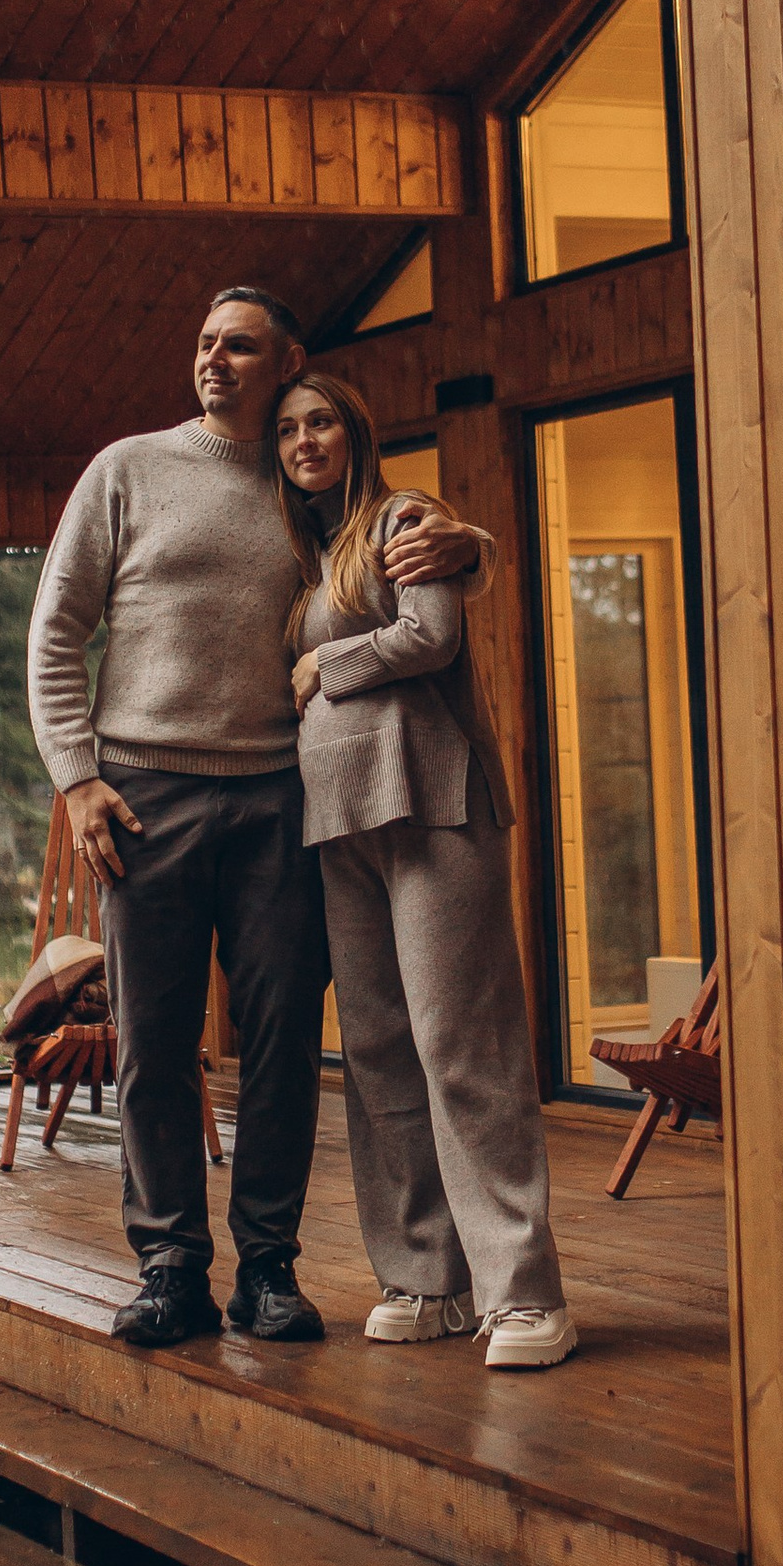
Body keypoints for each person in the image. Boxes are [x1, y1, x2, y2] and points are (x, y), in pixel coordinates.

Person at [25, 285, 484, 1350]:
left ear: (288, 360)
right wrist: (78, 776)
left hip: (286, 794)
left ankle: (267, 1267)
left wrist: (468, 544)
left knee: (283, 1040)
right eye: (203, 345)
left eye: (238, 346)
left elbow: (396, 537)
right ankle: (170, 1265)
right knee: (153, 1038)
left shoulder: (305, 487)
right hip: (144, 794)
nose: (214, 361)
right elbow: (57, 631)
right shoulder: (126, 470)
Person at [273, 367, 577, 1371]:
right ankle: (426, 1278)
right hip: (339, 824)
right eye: (287, 430)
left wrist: (326, 668)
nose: (305, 440)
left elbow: (431, 634)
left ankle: (523, 1295)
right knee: (377, 1052)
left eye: (320, 422)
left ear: (353, 431)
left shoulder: (403, 517)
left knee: (462, 1044)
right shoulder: (302, 551)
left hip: (434, 805)